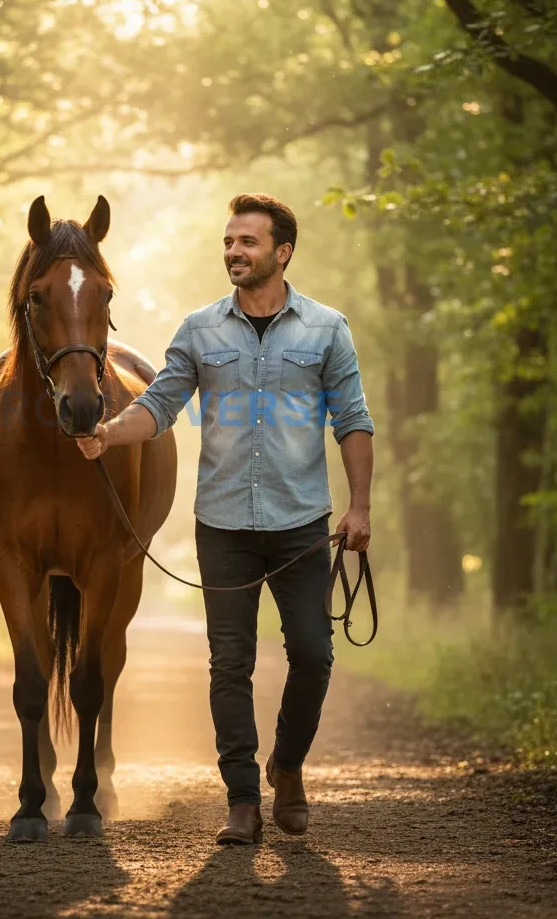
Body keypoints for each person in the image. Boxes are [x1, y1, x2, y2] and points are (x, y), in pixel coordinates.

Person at [75, 193, 374, 845]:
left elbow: (353, 421)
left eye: (248, 242)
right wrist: (107, 434)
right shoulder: (199, 330)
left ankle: (287, 768)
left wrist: (360, 506)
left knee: (315, 655)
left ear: (282, 252)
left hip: (301, 525)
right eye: (229, 242)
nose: (234, 252)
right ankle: (242, 800)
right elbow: (158, 406)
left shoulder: (327, 330)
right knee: (229, 663)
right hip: (224, 526)